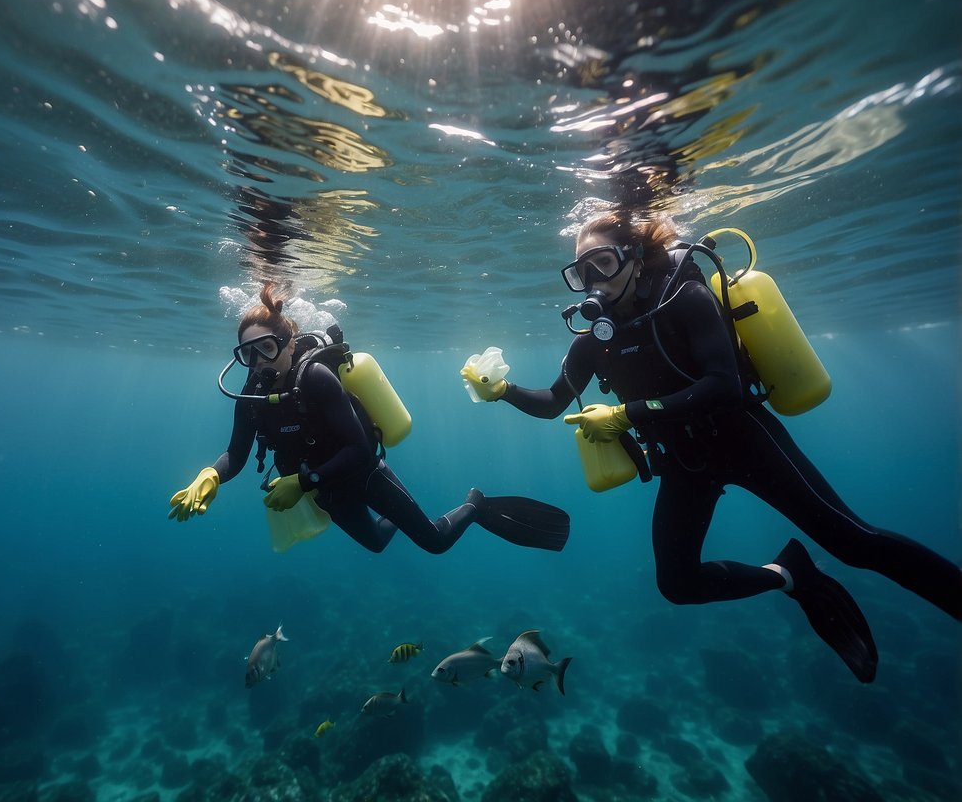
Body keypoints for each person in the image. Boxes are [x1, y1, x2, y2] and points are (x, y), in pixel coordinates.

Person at [462, 210, 962, 682]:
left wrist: (624, 414)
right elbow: (553, 400)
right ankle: (790, 575)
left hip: (744, 438)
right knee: (676, 583)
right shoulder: (595, 339)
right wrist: (501, 390)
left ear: (634, 259)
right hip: (685, 462)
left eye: (605, 264)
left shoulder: (685, 299)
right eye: (581, 272)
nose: (594, 281)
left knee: (855, 543)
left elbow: (723, 385)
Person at [169, 282, 571, 554]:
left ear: (289, 344)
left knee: (433, 541)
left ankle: (475, 505)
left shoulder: (316, 377)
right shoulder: (251, 394)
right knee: (378, 543)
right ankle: (397, 511)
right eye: (247, 354)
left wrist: (303, 480)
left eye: (267, 348)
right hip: (325, 488)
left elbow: (359, 450)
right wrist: (211, 475)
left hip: (361, 472)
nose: (258, 363)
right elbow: (235, 455)